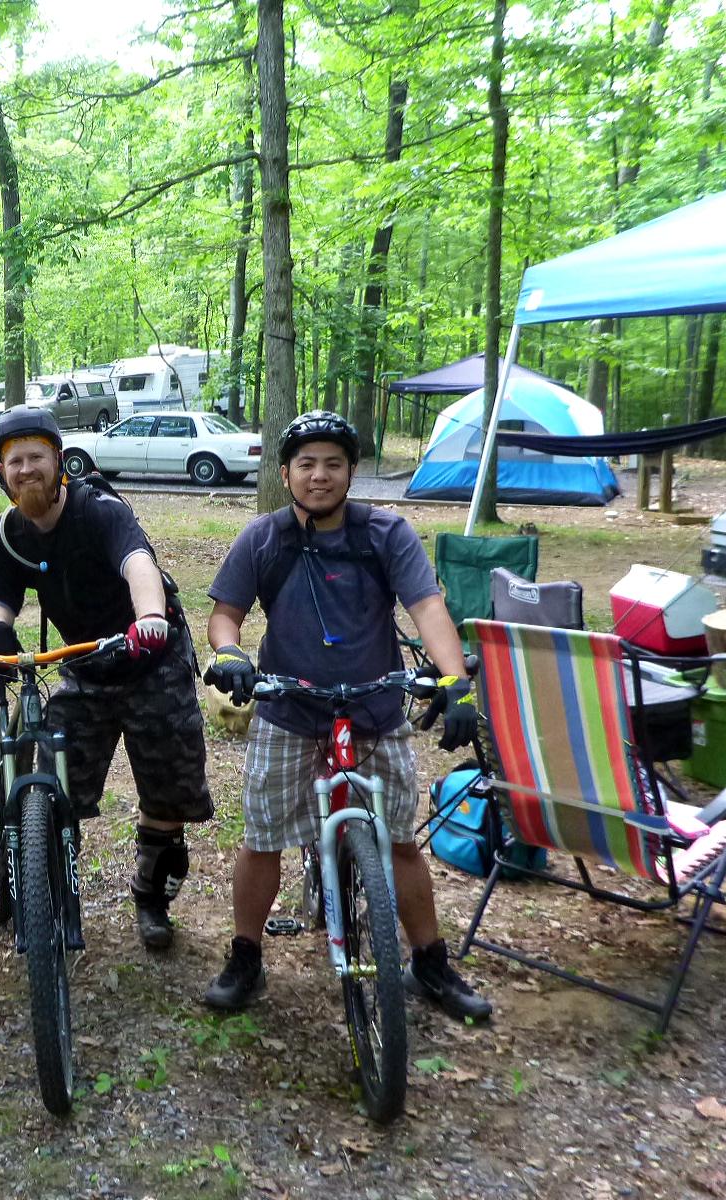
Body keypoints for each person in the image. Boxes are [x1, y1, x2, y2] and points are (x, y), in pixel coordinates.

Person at [201, 409, 492, 1021]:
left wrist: (455, 683)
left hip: (375, 706)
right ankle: (246, 956)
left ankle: (431, 963)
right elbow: (225, 613)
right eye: (306, 464)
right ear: (286, 473)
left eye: (333, 464)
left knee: (400, 842)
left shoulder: (386, 533)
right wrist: (229, 652)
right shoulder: (264, 537)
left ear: (352, 472)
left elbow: (428, 609)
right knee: (262, 838)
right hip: (287, 707)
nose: (320, 475)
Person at [0, 407, 213, 950]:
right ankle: (46, 879)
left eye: (37, 457)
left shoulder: (98, 510)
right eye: (14, 461)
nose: (26, 469)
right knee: (57, 786)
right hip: (84, 665)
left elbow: (138, 564)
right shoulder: (9, 535)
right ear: (1, 473)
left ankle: (151, 898)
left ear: (59, 463)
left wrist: (149, 618)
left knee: (168, 793)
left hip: (150, 658)